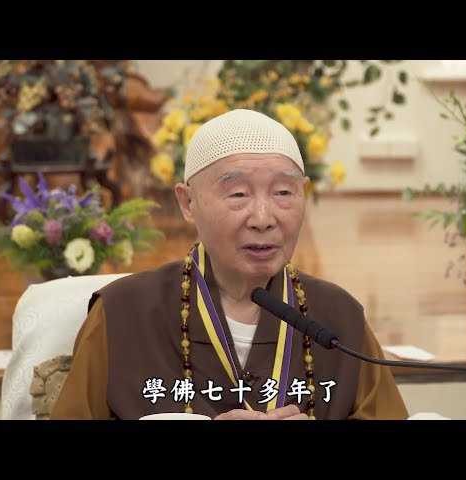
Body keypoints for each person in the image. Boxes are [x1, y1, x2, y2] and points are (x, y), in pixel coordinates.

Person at [51, 109, 409, 420]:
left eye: (283, 193)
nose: (263, 218)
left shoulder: (339, 318)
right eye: (238, 194)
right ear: (188, 202)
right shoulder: (122, 313)